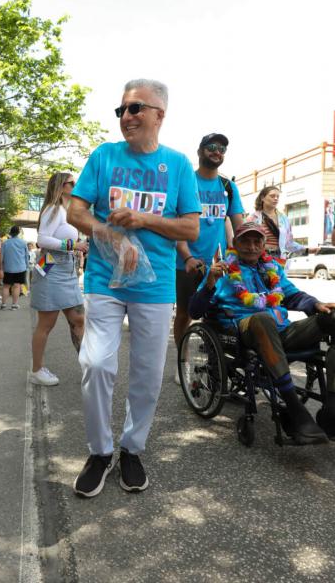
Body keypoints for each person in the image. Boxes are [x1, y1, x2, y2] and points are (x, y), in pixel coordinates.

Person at [67, 79, 200, 497]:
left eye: (137, 108)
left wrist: (143, 221)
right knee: (96, 363)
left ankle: (132, 448)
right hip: (105, 281)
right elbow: (75, 211)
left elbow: (190, 226)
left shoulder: (177, 166)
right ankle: (99, 451)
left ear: (160, 115)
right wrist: (108, 233)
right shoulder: (104, 156)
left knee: (146, 373)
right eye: (122, 110)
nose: (127, 117)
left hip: (156, 285)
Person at [188, 221, 335, 442]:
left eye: (256, 241)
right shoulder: (223, 270)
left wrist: (316, 305)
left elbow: (293, 295)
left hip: (282, 331)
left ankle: (333, 408)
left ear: (263, 245)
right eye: (245, 241)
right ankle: (296, 411)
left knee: (334, 319)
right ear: (235, 244)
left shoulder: (272, 268)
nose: (251, 246)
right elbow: (195, 310)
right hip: (244, 330)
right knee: (263, 319)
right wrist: (210, 281)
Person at [173, 132, 245, 365]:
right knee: (184, 314)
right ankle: (182, 362)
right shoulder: (187, 182)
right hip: (186, 262)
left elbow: (239, 225)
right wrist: (186, 257)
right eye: (212, 147)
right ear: (200, 151)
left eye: (222, 149)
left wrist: (244, 254)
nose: (217, 152)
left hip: (219, 264)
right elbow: (176, 225)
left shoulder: (228, 186)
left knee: (218, 313)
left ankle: (216, 363)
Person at [29, 172, 88, 386]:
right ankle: (36, 370)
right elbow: (42, 239)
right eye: (72, 182)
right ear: (62, 186)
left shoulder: (69, 211)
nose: (76, 185)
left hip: (67, 268)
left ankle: (87, 366)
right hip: (52, 266)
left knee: (79, 319)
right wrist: (73, 245)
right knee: (47, 323)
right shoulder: (54, 209)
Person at [245, 185, 305, 260]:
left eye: (277, 196)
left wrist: (306, 250)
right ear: (262, 198)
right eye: (272, 196)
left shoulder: (284, 219)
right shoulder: (252, 218)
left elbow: (289, 243)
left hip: (279, 258)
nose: (276, 198)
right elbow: (246, 241)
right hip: (260, 258)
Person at [0, 225, 29, 310]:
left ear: (10, 233)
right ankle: (14, 305)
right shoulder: (23, 242)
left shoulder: (5, 243)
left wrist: (1, 267)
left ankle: (3, 304)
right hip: (20, 267)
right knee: (17, 286)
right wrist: (26, 266)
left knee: (6, 286)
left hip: (8, 268)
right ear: (18, 233)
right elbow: (26, 256)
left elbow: (1, 257)